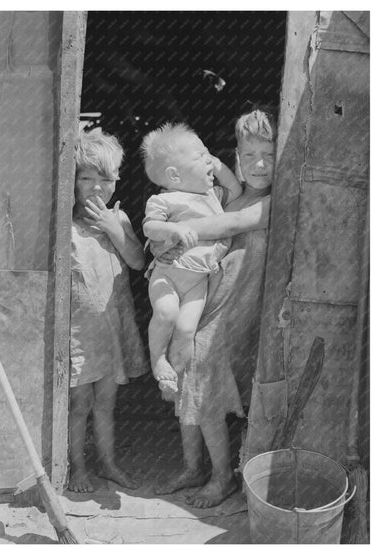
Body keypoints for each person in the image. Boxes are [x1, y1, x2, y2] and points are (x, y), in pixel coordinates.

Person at [151, 109, 276, 508]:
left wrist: (172, 236)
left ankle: (222, 477)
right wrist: (167, 234)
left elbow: (230, 225)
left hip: (236, 307)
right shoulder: (231, 192)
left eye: (269, 155)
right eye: (250, 154)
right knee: (187, 374)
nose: (259, 164)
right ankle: (193, 467)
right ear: (237, 155)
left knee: (203, 375)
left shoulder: (274, 200)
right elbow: (200, 205)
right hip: (205, 297)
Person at [68, 126, 148, 493]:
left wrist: (114, 229)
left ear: (117, 181)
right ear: (73, 182)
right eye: (87, 179)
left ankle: (109, 463)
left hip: (112, 330)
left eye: (106, 179)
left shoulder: (121, 219)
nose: (97, 188)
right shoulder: (65, 226)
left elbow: (136, 261)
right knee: (79, 404)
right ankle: (77, 467)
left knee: (106, 403)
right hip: (80, 335)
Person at [141, 122, 242, 398]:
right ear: (174, 175)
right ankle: (158, 358)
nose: (208, 159)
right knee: (166, 313)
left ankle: (174, 380)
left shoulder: (212, 196)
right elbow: (150, 228)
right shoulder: (166, 200)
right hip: (169, 275)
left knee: (186, 330)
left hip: (198, 282)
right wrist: (173, 230)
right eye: (200, 157)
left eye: (208, 154)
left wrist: (218, 165)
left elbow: (235, 190)